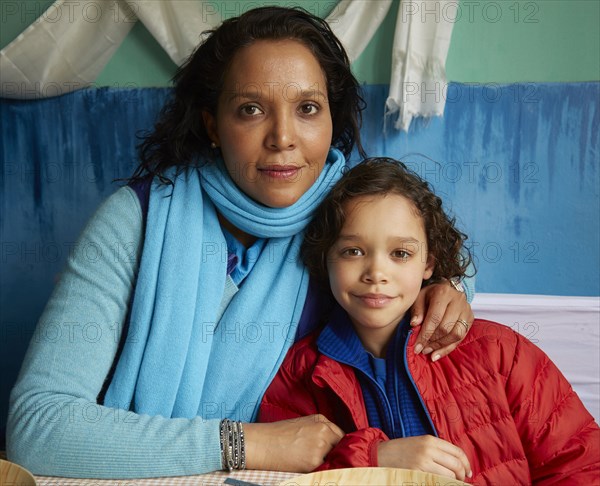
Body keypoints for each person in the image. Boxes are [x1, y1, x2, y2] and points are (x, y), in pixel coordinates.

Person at [7, 7, 474, 478]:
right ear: (213, 125)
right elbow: (38, 427)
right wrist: (246, 442)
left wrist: (447, 292)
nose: (283, 138)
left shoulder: (350, 218)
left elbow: (431, 263)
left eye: (308, 108)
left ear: (333, 117)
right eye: (251, 109)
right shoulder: (137, 220)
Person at [259, 158, 600, 484]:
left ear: (428, 265)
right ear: (325, 259)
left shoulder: (501, 353)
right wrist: (374, 459)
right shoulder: (297, 375)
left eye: (401, 254)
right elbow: (281, 478)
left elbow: (581, 464)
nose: (377, 273)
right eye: (353, 251)